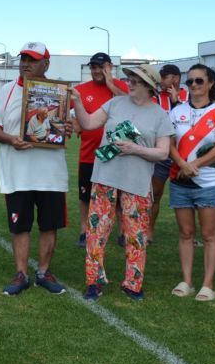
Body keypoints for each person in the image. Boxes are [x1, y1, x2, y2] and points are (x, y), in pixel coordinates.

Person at [72, 64, 174, 302]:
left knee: (135, 235)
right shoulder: (115, 103)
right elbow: (87, 123)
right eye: (129, 78)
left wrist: (135, 149)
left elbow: (162, 153)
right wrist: (77, 101)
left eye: (135, 80)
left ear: (149, 86)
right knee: (96, 231)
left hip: (137, 183)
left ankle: (133, 284)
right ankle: (93, 282)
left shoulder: (160, 115)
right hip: (105, 177)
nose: (129, 82)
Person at [0, 42, 73, 296]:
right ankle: (21, 273)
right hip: (17, 173)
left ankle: (44, 272)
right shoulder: (5, 91)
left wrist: (67, 129)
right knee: (20, 225)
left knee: (49, 224)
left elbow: (70, 125)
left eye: (32, 59)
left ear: (46, 64)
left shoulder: (61, 92)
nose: (25, 64)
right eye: (23, 58)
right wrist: (11, 139)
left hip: (51, 174)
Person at [167, 64, 215, 302]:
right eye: (190, 81)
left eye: (199, 81)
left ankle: (208, 283)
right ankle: (187, 281)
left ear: (210, 84)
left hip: (209, 182)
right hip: (180, 180)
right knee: (185, 233)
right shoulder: (176, 111)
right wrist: (183, 165)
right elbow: (170, 143)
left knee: (209, 234)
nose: (194, 85)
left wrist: (194, 166)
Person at [72, 53, 128, 247]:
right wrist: (74, 121)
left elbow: (132, 106)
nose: (96, 71)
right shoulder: (81, 89)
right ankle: (84, 231)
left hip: (117, 154)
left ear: (110, 67)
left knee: (120, 197)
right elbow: (68, 109)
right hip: (89, 154)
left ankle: (123, 232)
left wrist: (111, 85)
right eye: (93, 67)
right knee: (85, 196)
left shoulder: (122, 87)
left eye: (100, 67)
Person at [149, 64, 189, 241]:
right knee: (154, 194)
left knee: (189, 197)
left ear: (175, 78)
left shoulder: (189, 96)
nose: (161, 81)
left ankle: (190, 233)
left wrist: (176, 103)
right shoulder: (156, 98)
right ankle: (149, 230)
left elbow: (191, 122)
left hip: (184, 154)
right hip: (162, 154)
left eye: (164, 77)